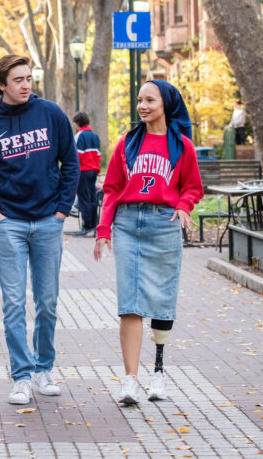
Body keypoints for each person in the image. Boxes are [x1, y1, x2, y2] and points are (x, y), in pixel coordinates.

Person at [0, 54, 79, 406]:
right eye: (18, 79)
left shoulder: (51, 114)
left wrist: (62, 211)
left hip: (48, 220)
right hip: (10, 224)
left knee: (47, 302)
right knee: (13, 303)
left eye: (29, 78)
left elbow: (71, 162)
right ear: (2, 84)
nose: (26, 85)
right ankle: (21, 376)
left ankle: (44, 367)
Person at [94, 80, 203, 405]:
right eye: (139, 100)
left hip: (163, 223)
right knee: (130, 302)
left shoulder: (182, 146)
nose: (142, 106)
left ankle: (158, 372)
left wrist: (184, 207)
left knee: (161, 299)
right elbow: (112, 188)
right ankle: (130, 380)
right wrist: (103, 228)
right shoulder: (128, 142)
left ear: (165, 104)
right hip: (128, 224)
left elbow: (193, 188)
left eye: (149, 100)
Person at [72, 112, 101, 237]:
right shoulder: (95, 136)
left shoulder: (79, 136)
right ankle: (94, 225)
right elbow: (98, 155)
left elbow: (77, 155)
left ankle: (86, 226)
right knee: (92, 198)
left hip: (83, 171)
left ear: (77, 124)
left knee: (83, 199)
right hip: (93, 170)